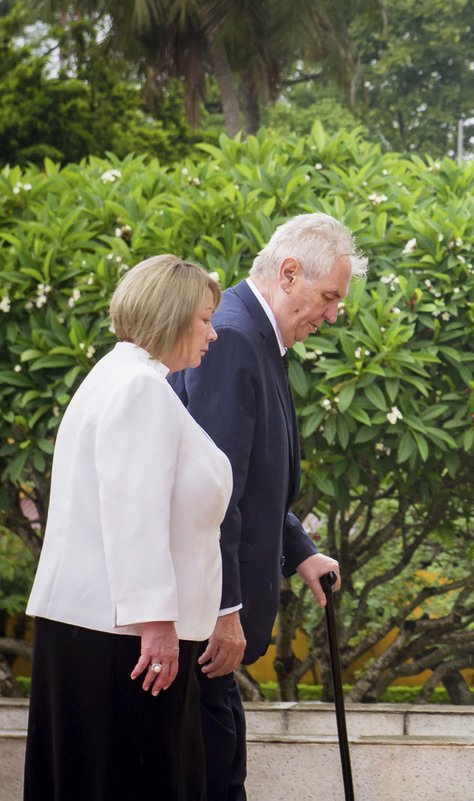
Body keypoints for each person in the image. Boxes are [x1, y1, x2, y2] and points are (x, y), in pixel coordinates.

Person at [169, 212, 367, 801]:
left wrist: (301, 553)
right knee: (217, 780)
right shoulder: (231, 338)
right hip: (206, 622)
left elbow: (249, 482)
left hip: (213, 623)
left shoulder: (257, 335)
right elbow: (214, 494)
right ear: (288, 273)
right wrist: (225, 610)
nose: (333, 314)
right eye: (329, 296)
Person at [24, 255, 232, 800]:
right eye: (205, 318)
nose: (213, 333)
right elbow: (134, 511)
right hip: (126, 640)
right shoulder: (139, 387)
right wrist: (155, 623)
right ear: (173, 314)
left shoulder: (115, 376)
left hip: (101, 629)